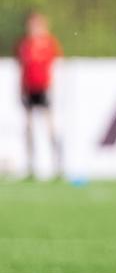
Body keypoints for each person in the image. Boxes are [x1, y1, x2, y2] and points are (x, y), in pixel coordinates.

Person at [15, 10, 64, 180]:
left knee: (50, 127)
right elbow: (22, 69)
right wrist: (20, 89)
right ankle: (30, 166)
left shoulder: (50, 43)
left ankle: (58, 165)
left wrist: (53, 88)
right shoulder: (24, 45)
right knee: (28, 128)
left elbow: (57, 67)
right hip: (29, 90)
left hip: (44, 89)